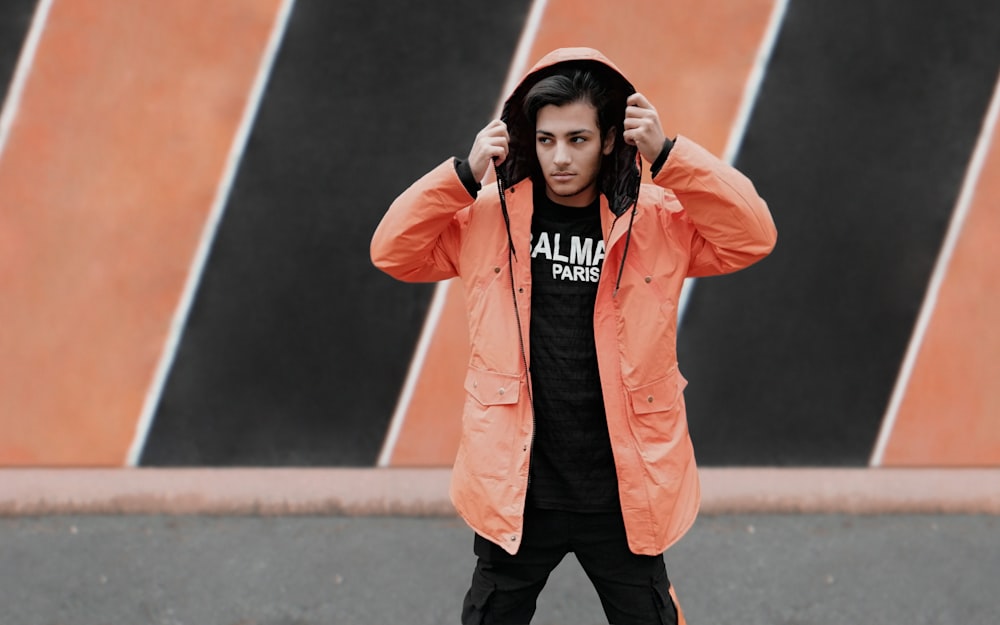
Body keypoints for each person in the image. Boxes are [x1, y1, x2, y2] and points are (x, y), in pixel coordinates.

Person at [370, 47, 776, 625]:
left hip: (621, 491)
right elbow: (391, 252)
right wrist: (461, 176)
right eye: (546, 140)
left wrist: (671, 156)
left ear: (610, 139)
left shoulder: (657, 219)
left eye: (578, 139)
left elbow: (752, 236)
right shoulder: (487, 218)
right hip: (519, 488)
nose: (560, 158)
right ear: (526, 140)